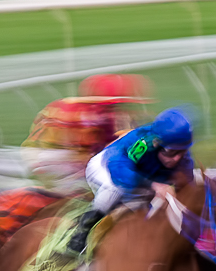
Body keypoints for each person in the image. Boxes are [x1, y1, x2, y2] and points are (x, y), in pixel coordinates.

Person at [64, 106, 196, 255]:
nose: (177, 158)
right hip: (107, 168)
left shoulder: (183, 157)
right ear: (156, 143)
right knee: (117, 189)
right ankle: (80, 234)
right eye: (171, 152)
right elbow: (120, 171)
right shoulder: (142, 143)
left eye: (182, 152)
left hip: (141, 177)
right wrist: (154, 185)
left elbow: (189, 188)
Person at [20, 73, 153, 194]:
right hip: (52, 158)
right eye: (115, 104)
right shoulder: (87, 118)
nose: (121, 108)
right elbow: (88, 156)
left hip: (54, 154)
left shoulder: (92, 112)